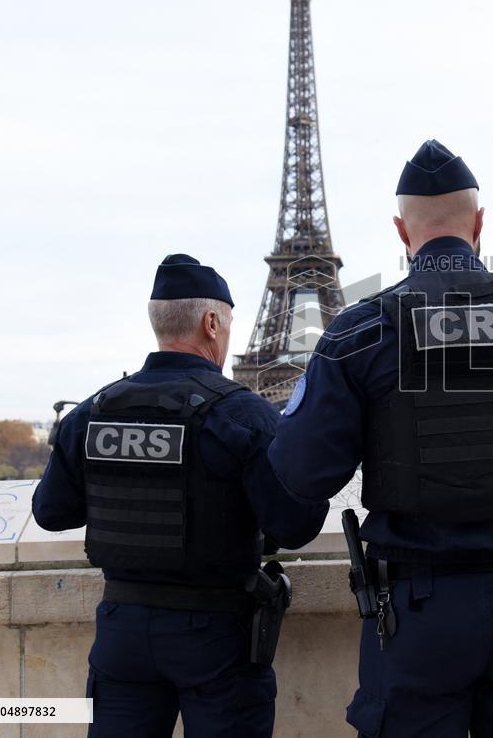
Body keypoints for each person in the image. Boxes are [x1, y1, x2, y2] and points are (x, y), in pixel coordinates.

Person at [266, 140, 493, 737]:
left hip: (418, 615)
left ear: (400, 231)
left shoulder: (361, 332)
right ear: (480, 224)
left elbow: (302, 473)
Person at [32, 254, 325, 738]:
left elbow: (51, 513)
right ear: (212, 323)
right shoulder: (244, 415)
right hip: (216, 634)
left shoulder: (92, 411)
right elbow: (295, 526)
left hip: (122, 631)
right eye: (228, 325)